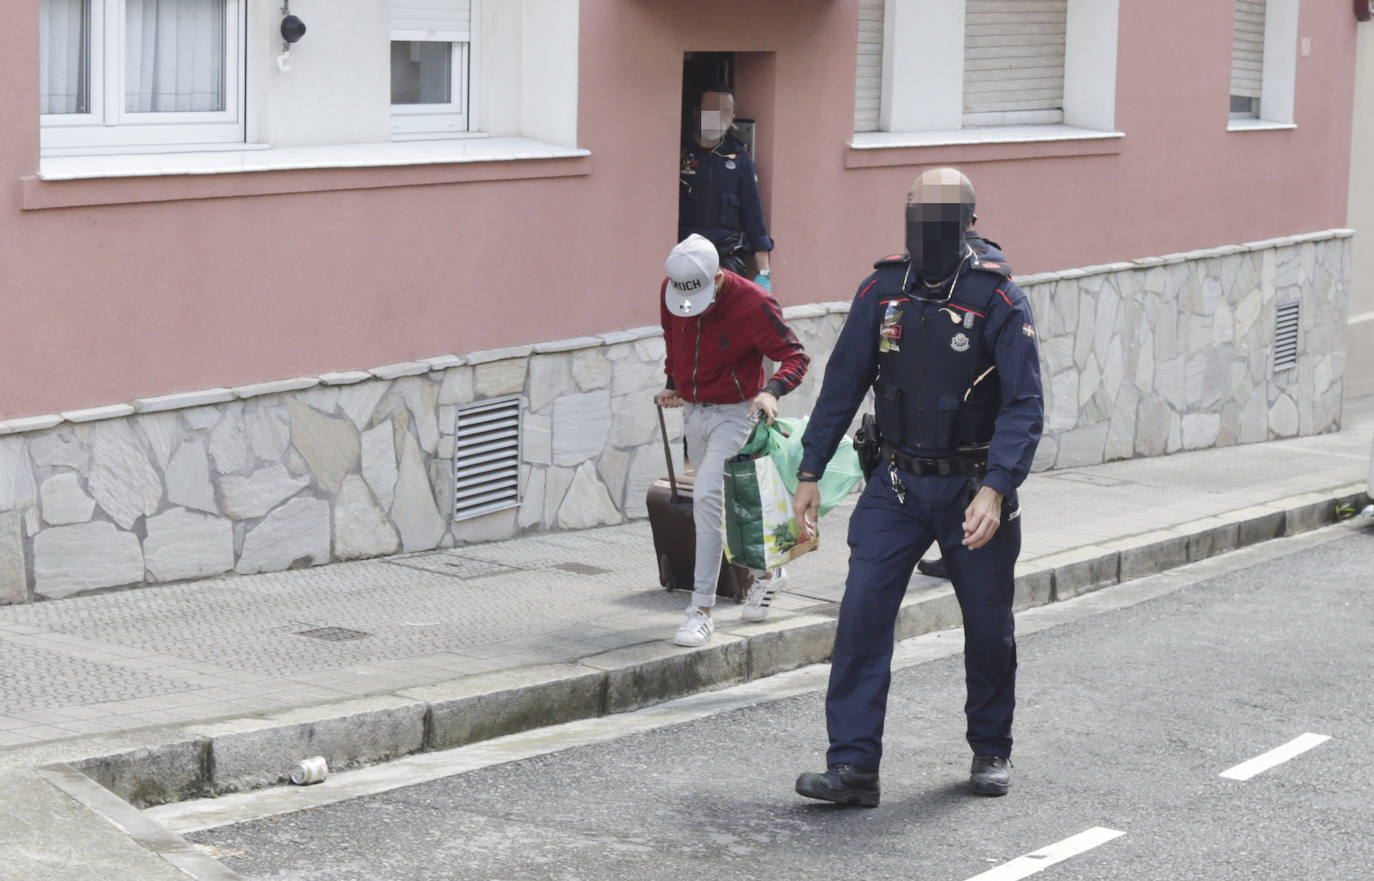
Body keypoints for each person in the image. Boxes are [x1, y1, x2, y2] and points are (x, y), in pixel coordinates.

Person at [790, 168, 1043, 806]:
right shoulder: (882, 290)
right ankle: (853, 770)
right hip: (896, 487)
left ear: (968, 223)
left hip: (971, 492)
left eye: (938, 217)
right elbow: (843, 382)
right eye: (915, 214)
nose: (924, 230)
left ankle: (990, 748)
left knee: (988, 628)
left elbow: (1024, 405)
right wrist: (810, 471)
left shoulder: (999, 300)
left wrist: (998, 487)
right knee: (860, 621)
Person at [656, 234, 809, 647]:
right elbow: (674, 337)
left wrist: (771, 391)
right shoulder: (674, 290)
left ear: (718, 277)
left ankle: (700, 611)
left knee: (706, 497)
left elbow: (795, 355)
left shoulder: (754, 302)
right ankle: (768, 573)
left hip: (736, 411)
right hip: (693, 408)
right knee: (717, 507)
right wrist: (673, 381)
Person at [679, 88, 775, 291]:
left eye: (724, 112)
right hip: (687, 258)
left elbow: (754, 217)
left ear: (732, 118)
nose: (718, 118)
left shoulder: (739, 159)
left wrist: (764, 273)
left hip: (727, 262)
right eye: (712, 110)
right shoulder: (679, 151)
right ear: (697, 112)